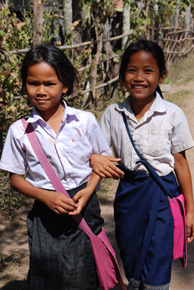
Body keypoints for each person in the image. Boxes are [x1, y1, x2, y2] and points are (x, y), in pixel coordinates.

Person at [0, 44, 112, 290]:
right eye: (33, 83)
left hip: (84, 207)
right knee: (47, 278)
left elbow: (102, 161)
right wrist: (45, 196)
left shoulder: (85, 121)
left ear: (65, 85)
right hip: (45, 214)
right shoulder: (19, 131)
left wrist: (89, 188)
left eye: (49, 84)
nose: (40, 91)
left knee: (83, 276)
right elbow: (15, 178)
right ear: (25, 85)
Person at [90, 40, 194, 290]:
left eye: (148, 71)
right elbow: (102, 155)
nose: (139, 77)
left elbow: (180, 163)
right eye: (131, 70)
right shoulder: (113, 114)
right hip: (129, 198)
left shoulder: (171, 114)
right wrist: (95, 159)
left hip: (162, 197)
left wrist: (190, 210)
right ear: (122, 74)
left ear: (161, 75)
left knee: (157, 265)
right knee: (132, 260)